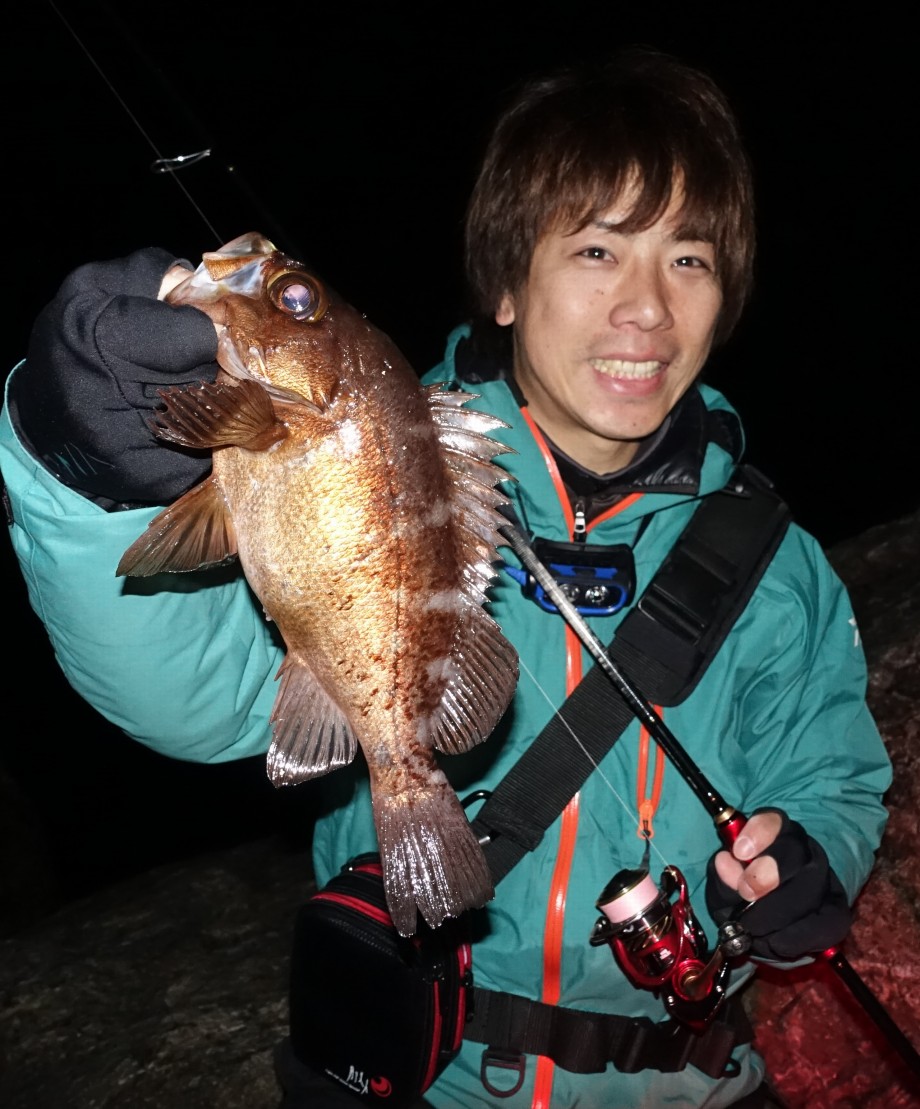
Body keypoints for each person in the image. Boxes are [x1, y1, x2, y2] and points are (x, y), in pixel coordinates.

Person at [0, 47, 892, 1109]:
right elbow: (185, 693)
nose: (646, 307)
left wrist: (806, 855)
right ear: (507, 285)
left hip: (695, 1084)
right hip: (432, 1078)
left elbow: (832, 770)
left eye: (688, 259)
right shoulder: (378, 458)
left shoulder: (776, 564)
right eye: (598, 249)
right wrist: (80, 471)